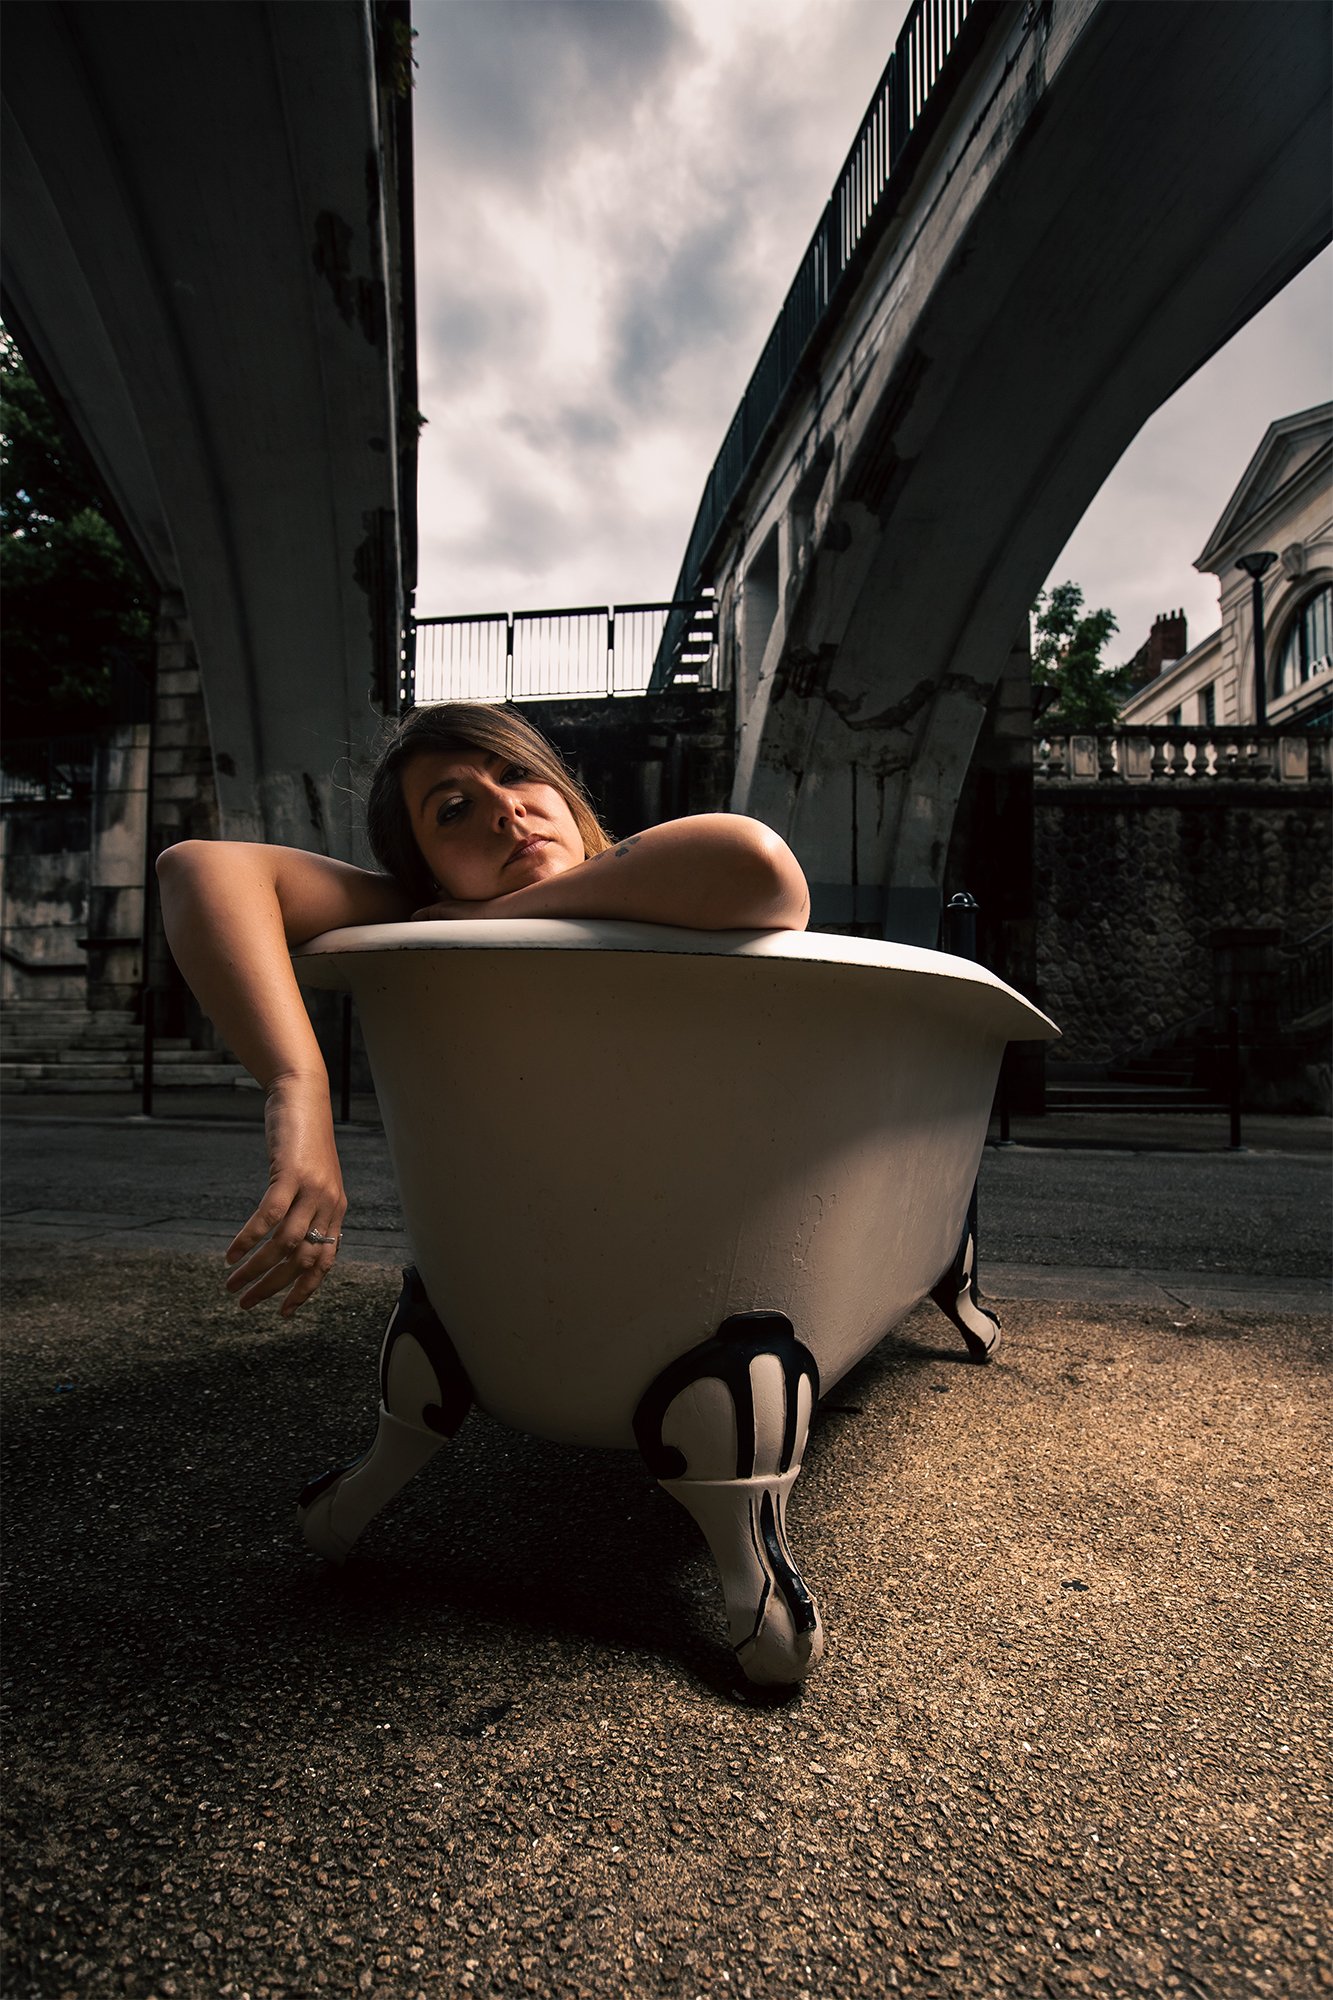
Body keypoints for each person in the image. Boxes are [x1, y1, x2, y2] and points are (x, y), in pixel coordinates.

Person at [157, 700, 809, 1319]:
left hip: (741, 1233)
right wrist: (295, 1085)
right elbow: (199, 868)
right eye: (453, 810)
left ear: (565, 794)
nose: (505, 810)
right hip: (540, 1257)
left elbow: (755, 864)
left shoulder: (664, 878)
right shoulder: (431, 913)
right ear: (430, 875)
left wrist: (502, 911)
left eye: (518, 774)